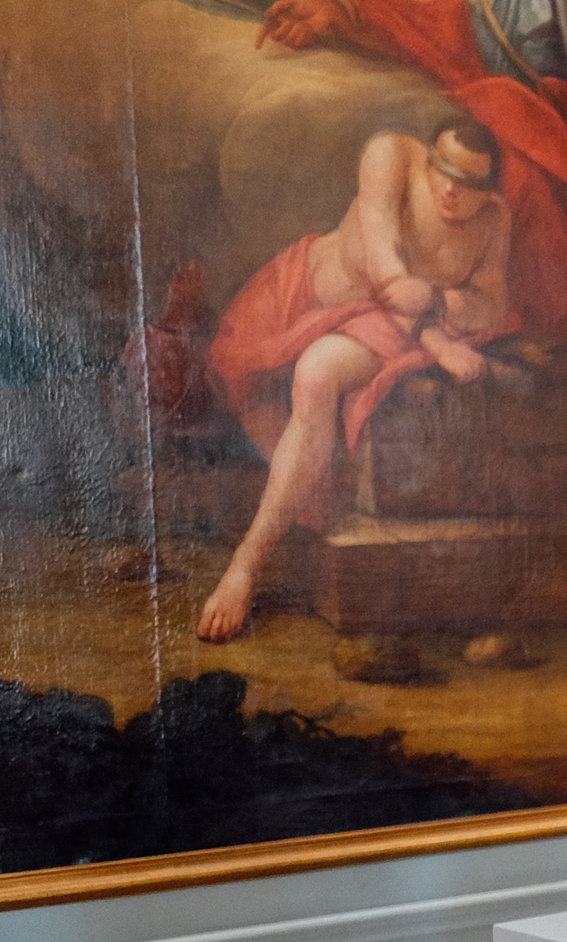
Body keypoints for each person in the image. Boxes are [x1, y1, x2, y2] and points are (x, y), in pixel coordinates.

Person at [254, 0, 567, 536]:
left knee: (531, 283)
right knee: (566, 317)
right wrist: (343, 16)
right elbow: (433, 28)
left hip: (556, 166)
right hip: (510, 150)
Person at [200, 119, 512, 641]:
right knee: (232, 372)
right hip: (303, 292)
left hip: (375, 326)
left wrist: (434, 309)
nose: (451, 188)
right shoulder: (389, 156)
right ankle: (298, 515)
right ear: (429, 157)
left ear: (491, 189)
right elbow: (386, 268)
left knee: (316, 375)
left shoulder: (493, 223)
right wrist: (436, 324)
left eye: (470, 181)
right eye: (443, 169)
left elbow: (490, 309)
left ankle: (245, 565)